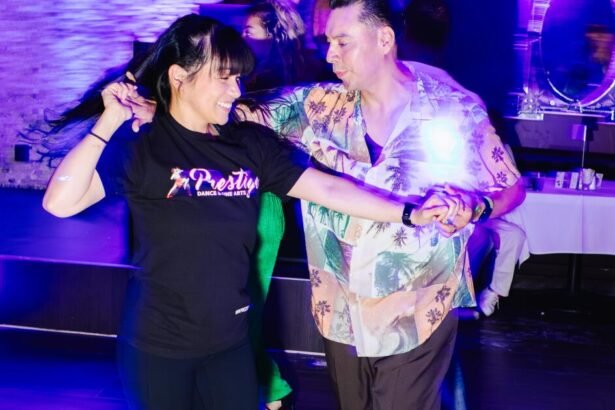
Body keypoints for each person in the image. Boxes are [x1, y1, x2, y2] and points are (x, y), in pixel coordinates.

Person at [42, 14, 454, 410]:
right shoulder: (144, 148)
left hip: (231, 345)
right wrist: (108, 122)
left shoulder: (248, 145)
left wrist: (409, 213)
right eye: (223, 77)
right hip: (159, 349)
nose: (235, 90)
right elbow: (60, 202)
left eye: (238, 77)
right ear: (179, 77)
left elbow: (327, 188)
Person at [238, 0, 526, 408]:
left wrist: (476, 207)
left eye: (343, 42)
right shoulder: (317, 106)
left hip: (419, 304)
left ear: (384, 39)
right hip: (340, 305)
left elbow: (511, 187)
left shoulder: (455, 109)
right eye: (328, 42)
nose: (330, 55)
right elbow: (236, 111)